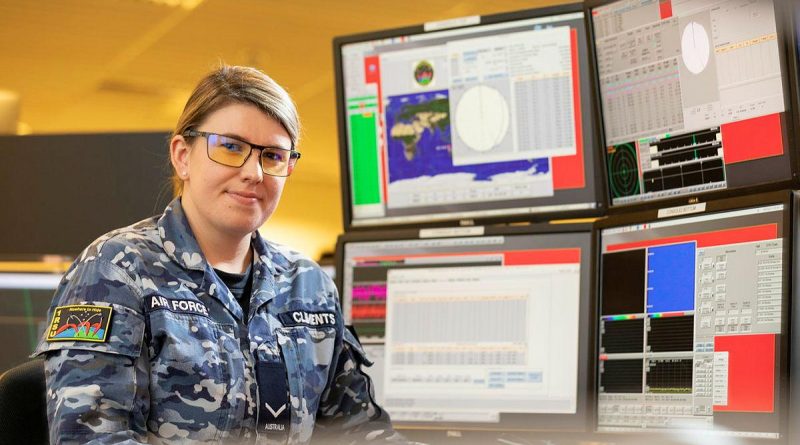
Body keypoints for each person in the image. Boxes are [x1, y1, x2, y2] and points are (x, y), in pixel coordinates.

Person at [34, 65, 413, 445]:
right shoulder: (116, 269)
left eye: (273, 156)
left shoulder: (308, 285)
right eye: (231, 147)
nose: (254, 172)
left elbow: (360, 432)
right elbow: (89, 438)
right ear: (183, 156)